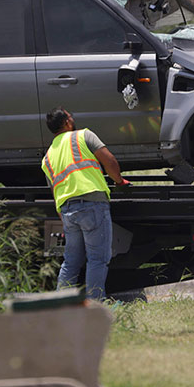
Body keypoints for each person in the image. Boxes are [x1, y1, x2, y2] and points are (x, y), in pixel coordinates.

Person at [41, 107, 129, 300]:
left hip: (67, 211)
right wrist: (119, 180)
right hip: (92, 204)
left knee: (71, 261)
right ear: (66, 122)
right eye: (70, 116)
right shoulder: (83, 136)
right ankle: (96, 304)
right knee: (97, 259)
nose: (73, 119)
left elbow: (56, 193)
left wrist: (64, 220)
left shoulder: (47, 158)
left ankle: (61, 304)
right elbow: (110, 161)